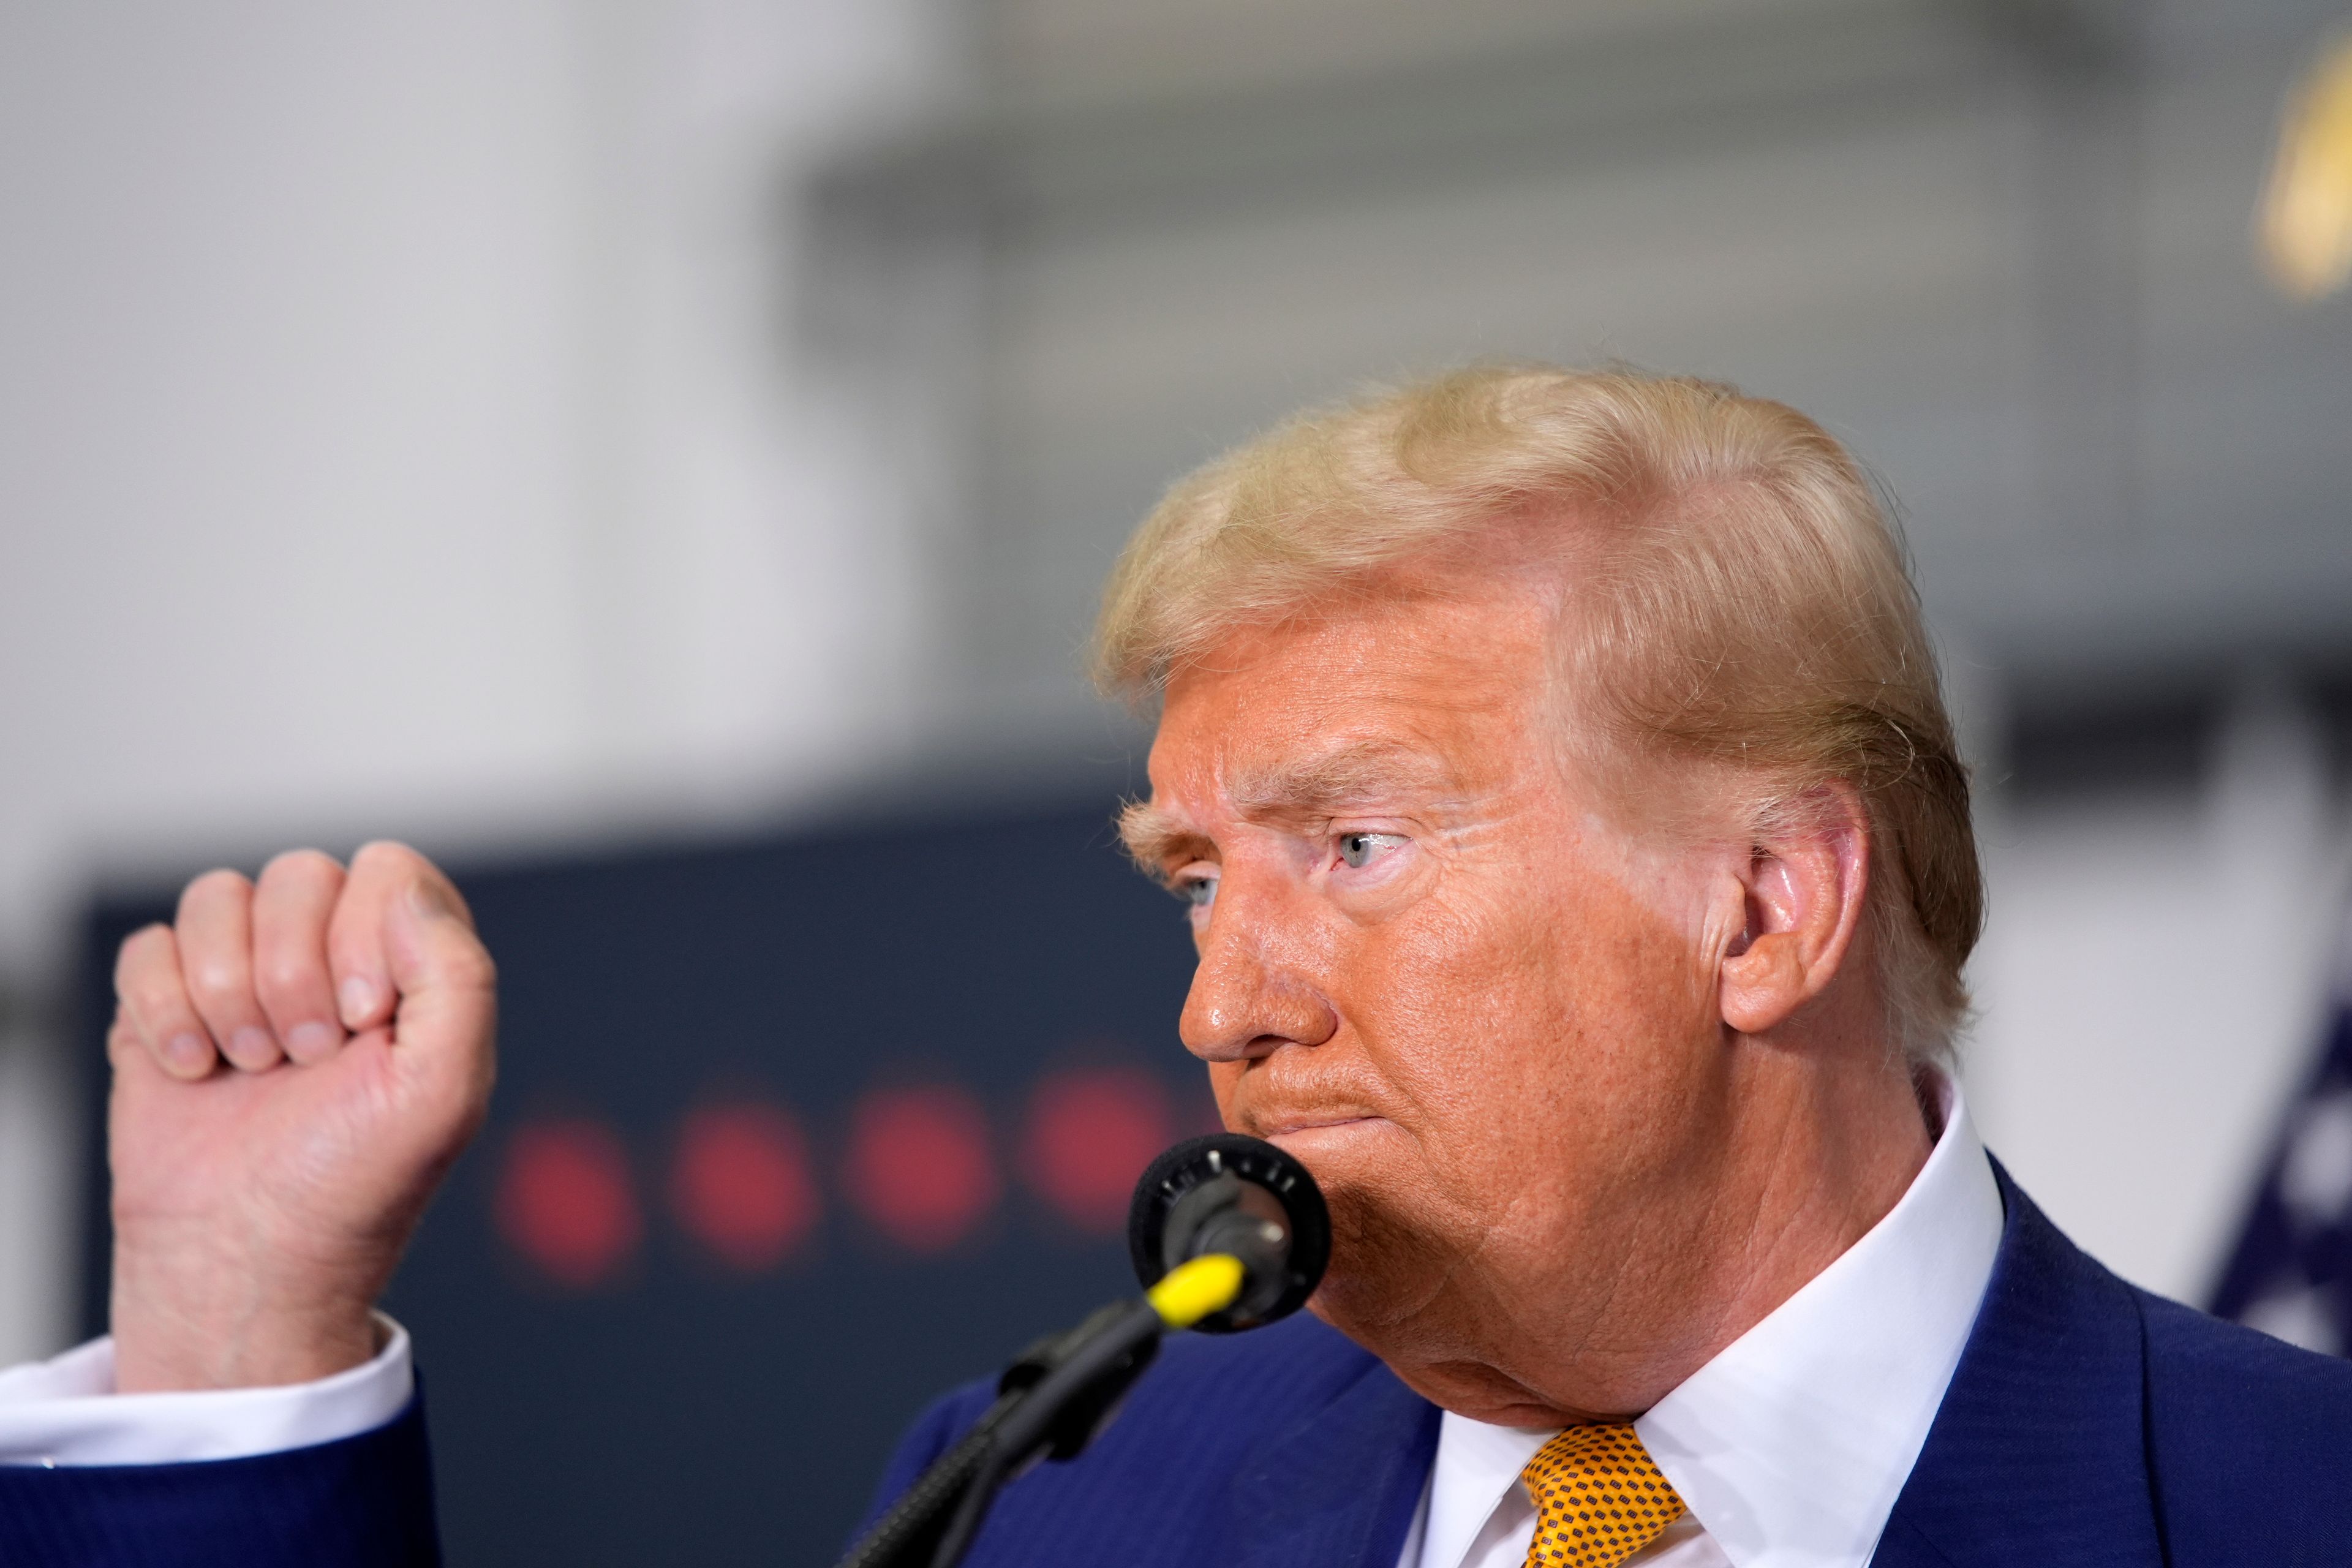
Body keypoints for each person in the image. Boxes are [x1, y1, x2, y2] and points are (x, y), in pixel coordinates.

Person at [2, 366, 2345, 1567]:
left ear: (1763, 906)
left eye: (1351, 842)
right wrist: (238, 1332)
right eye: (1194, 877)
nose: (1228, 1000)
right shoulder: (1048, 1511)